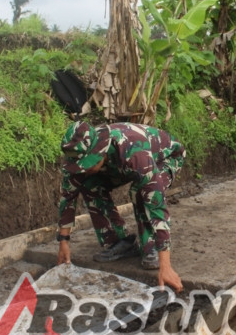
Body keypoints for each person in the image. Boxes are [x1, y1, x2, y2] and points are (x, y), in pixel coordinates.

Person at [56, 121, 186, 293]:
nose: (83, 170)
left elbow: (157, 205)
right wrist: (63, 241)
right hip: (118, 164)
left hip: (165, 158)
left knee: (140, 192)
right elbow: (68, 197)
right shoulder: (77, 152)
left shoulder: (134, 152)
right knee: (89, 183)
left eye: (88, 165)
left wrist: (166, 265)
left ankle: (151, 246)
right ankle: (120, 241)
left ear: (100, 152)